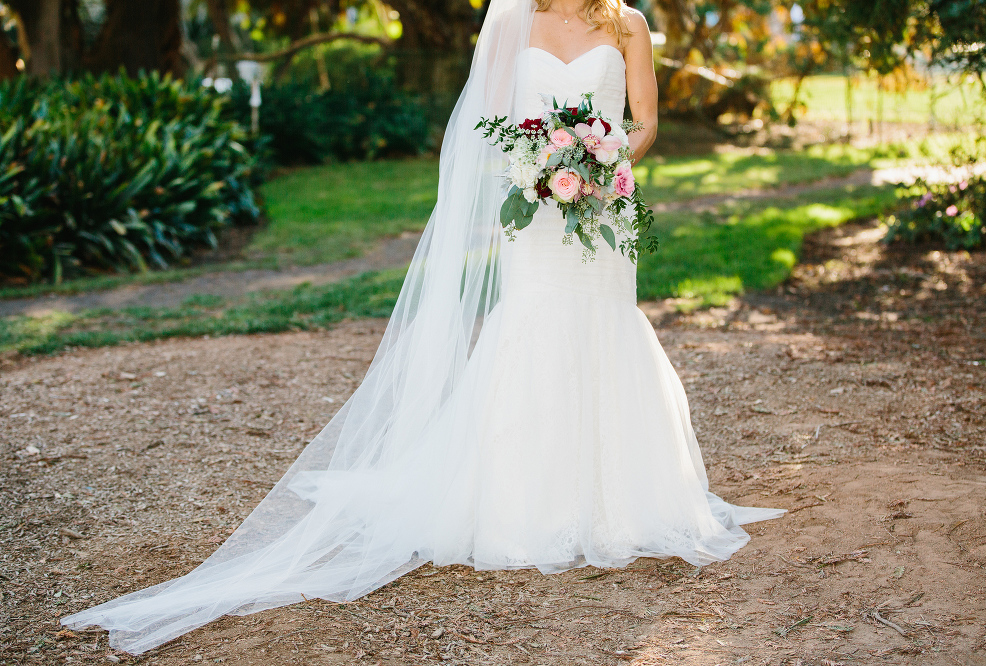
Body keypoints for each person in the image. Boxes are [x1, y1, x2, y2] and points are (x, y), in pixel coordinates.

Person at [63, 0, 784, 654]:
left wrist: (605, 163)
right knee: (531, 325)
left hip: (603, 214)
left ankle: (620, 502)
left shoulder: (627, 24)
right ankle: (522, 502)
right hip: (533, 213)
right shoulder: (507, 22)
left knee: (602, 322)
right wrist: (539, 169)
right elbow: (488, 124)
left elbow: (646, 120)